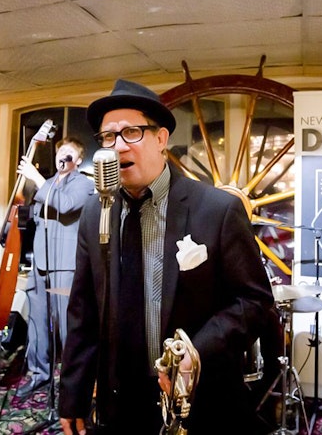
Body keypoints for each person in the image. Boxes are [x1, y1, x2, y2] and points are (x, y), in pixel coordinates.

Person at [58, 79, 276, 435]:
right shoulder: (94, 213)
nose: (117, 146)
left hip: (200, 401)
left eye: (131, 132)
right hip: (120, 402)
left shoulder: (217, 210)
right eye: (108, 137)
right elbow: (83, 309)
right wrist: (73, 393)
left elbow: (254, 300)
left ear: (161, 139)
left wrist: (196, 352)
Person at [15, 136, 94, 398]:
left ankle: (71, 385)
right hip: (40, 266)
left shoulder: (84, 184)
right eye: (60, 151)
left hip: (65, 268)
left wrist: (36, 178)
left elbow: (65, 205)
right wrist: (5, 234)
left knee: (68, 331)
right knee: (37, 326)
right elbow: (33, 220)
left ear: (78, 160)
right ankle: (40, 375)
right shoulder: (47, 184)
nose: (63, 156)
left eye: (69, 153)